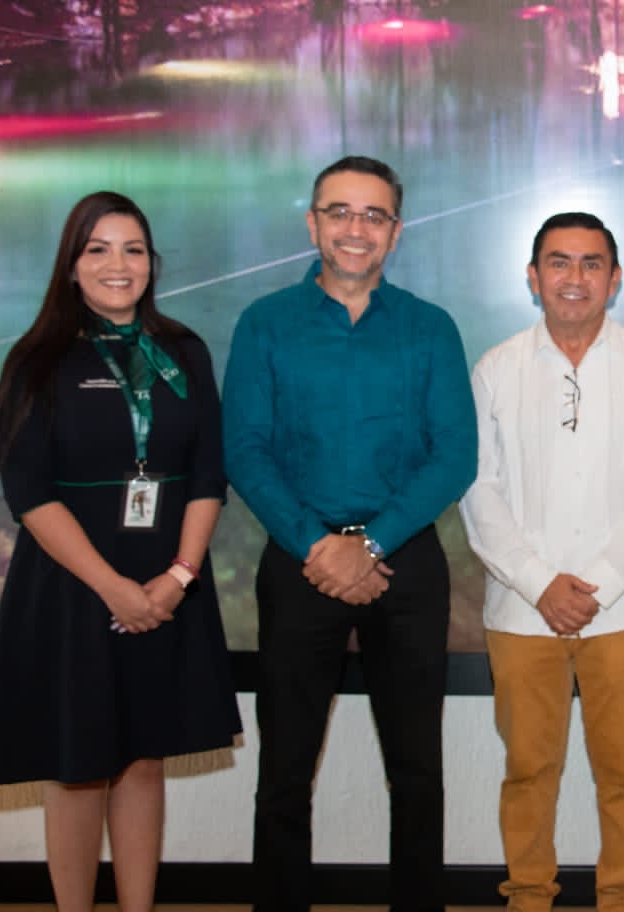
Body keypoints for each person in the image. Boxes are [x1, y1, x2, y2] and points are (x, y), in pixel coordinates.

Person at [0, 191, 241, 912]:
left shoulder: (185, 352)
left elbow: (208, 476)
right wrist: (113, 587)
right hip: (71, 588)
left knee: (144, 759)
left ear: (152, 263)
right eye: (98, 250)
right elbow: (29, 494)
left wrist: (177, 577)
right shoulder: (35, 360)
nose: (117, 265)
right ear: (71, 265)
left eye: (133, 249)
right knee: (76, 768)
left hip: (168, 585)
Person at [223, 156, 477, 912]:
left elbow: (454, 456)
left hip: (404, 562)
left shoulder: (430, 328)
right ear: (313, 224)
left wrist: (368, 545)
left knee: (417, 769)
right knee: (284, 768)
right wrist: (318, 545)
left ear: (396, 232)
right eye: (339, 212)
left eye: (374, 215)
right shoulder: (265, 323)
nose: (355, 228)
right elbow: (246, 450)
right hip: (299, 560)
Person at [460, 213, 624, 912]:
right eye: (559, 262)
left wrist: (598, 585)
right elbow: (477, 489)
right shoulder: (496, 369)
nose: (575, 277)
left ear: (614, 280)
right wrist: (539, 583)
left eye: (592, 264)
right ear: (533, 277)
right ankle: (529, 897)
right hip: (521, 610)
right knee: (529, 771)